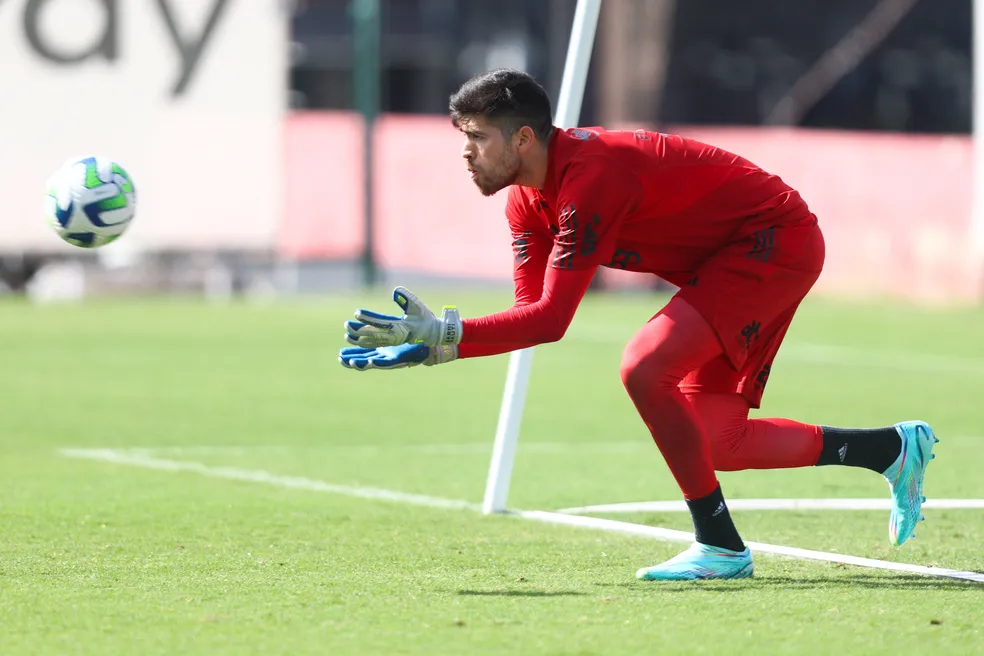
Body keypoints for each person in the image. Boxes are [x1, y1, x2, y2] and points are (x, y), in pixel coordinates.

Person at [338, 69, 938, 581]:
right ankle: (890, 449)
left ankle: (721, 546)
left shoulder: (591, 177)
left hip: (773, 241)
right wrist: (441, 347)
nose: (466, 153)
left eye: (477, 137)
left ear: (523, 139)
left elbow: (550, 320)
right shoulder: (525, 200)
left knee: (645, 366)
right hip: (726, 260)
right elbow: (532, 319)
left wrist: (446, 332)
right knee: (715, 442)